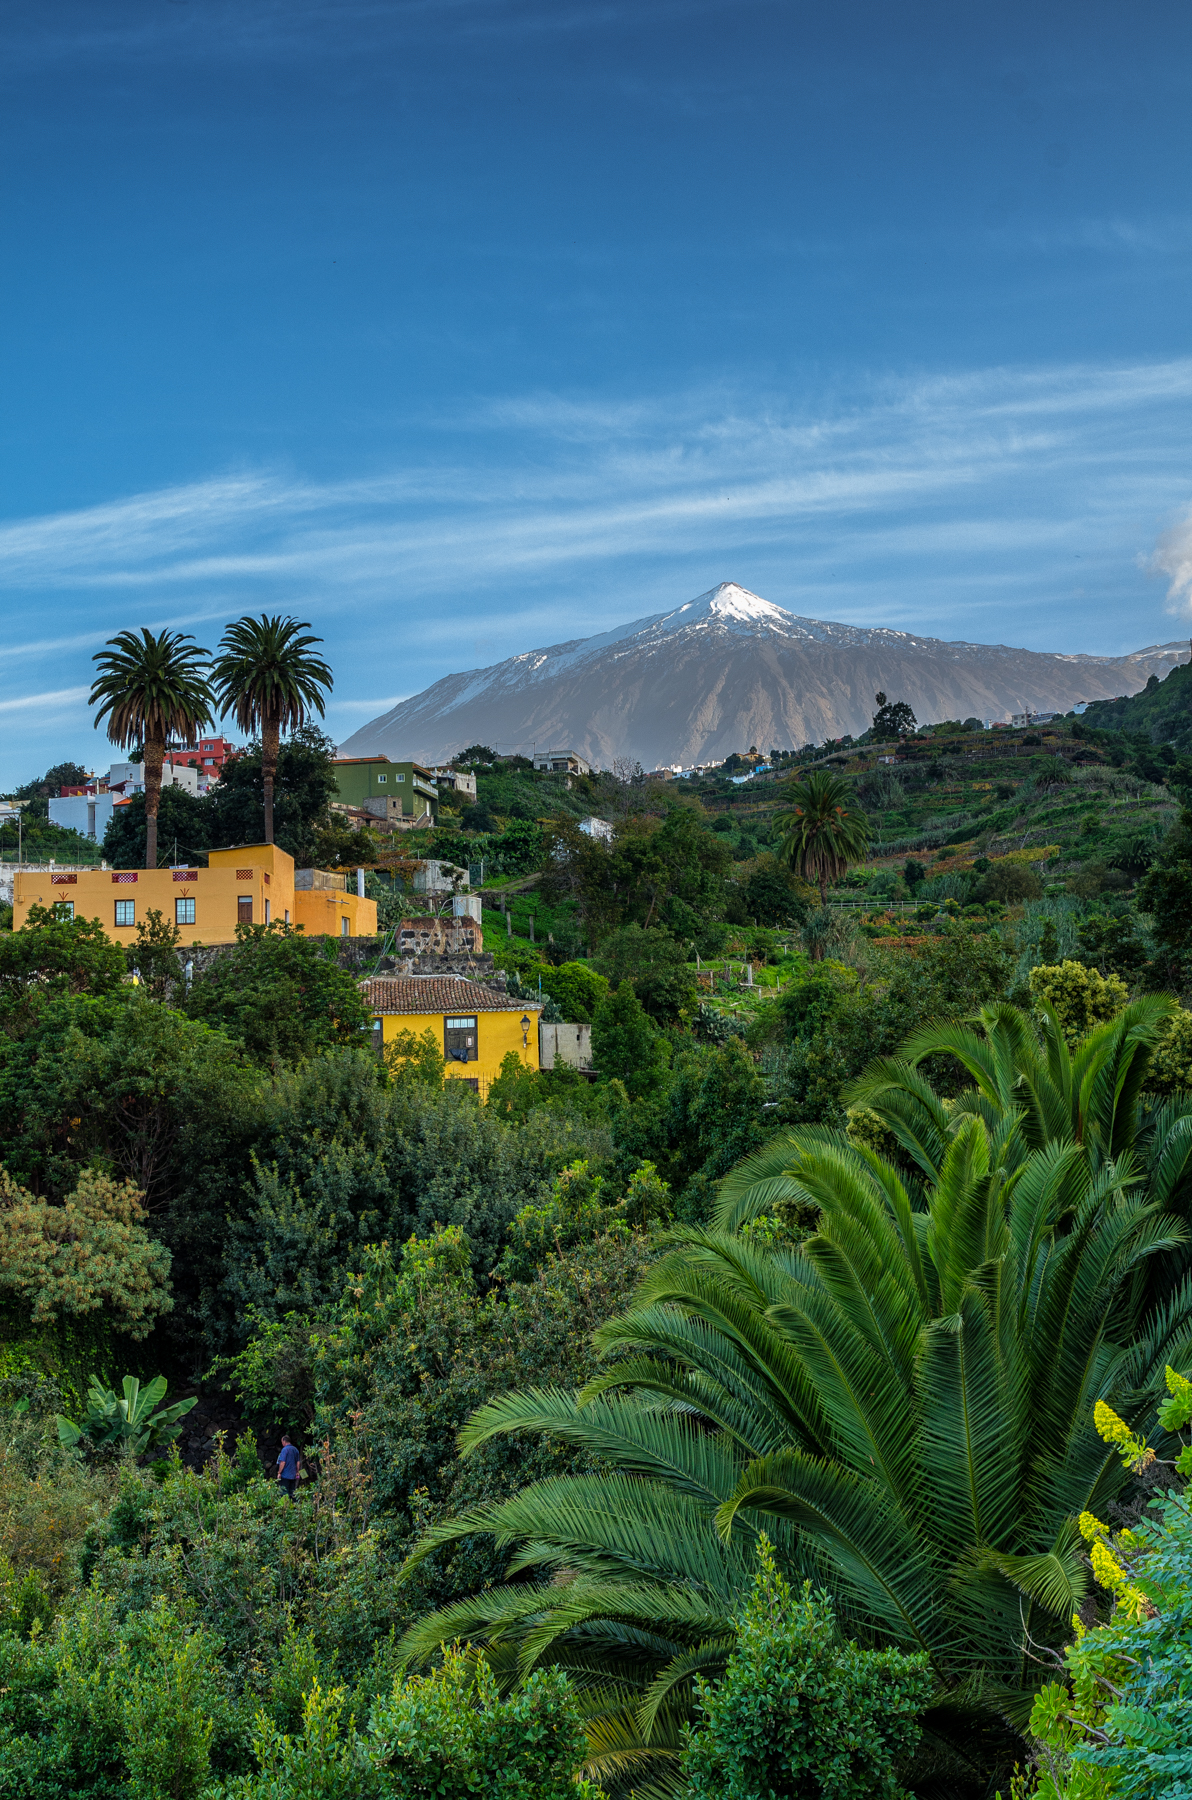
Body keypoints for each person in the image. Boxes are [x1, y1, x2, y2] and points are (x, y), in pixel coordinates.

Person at [276, 1432, 300, 1501]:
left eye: (282, 1442)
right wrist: (297, 1472)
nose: (282, 1443)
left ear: (284, 1441)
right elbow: (298, 1462)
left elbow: (283, 1462)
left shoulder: (284, 1450)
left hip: (285, 1475)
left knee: (284, 1492)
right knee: (292, 1492)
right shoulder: (295, 1449)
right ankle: (294, 1505)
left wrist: (279, 1472)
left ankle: (285, 1507)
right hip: (293, 1475)